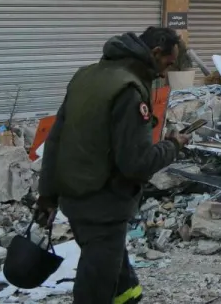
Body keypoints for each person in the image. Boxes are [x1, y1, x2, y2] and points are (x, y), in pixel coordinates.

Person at [35, 27, 189, 304]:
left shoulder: (85, 76)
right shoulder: (129, 90)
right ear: (155, 54)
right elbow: (137, 164)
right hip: (103, 204)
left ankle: (128, 297)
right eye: (167, 63)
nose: (165, 73)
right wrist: (173, 146)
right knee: (95, 286)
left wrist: (47, 195)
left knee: (116, 273)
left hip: (74, 198)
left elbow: (54, 139)